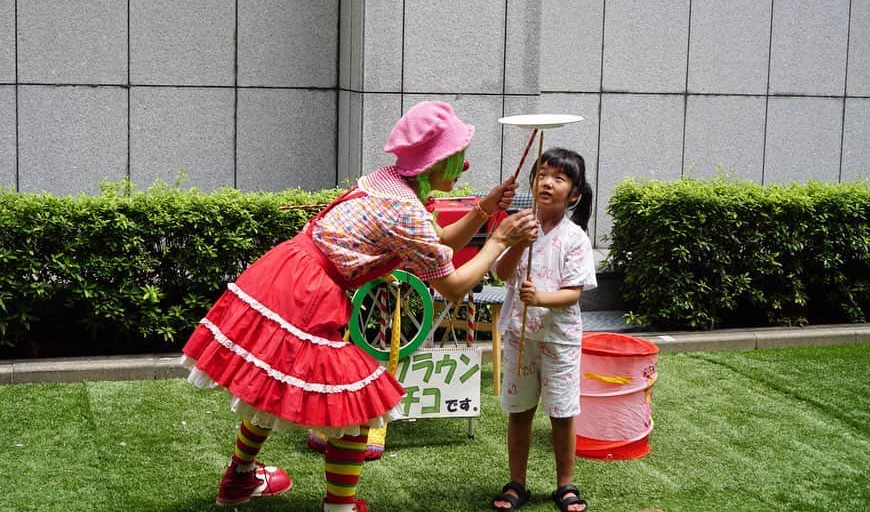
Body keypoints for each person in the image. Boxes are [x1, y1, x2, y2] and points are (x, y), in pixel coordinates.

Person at [180, 100, 538, 512]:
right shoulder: (405, 210)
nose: (466, 166)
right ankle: (340, 507)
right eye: (457, 158)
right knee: (357, 398)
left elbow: (439, 242)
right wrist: (499, 241)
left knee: (270, 385)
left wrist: (484, 209)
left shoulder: (388, 181)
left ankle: (239, 479)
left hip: (284, 272)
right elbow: (455, 285)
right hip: (308, 291)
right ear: (434, 164)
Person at [490, 147, 596, 512]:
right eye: (542, 174)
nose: (547, 182)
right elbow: (501, 274)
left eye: (559, 177)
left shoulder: (576, 238)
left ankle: (565, 485)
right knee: (519, 411)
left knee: (562, 413)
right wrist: (519, 242)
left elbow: (572, 293)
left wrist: (540, 297)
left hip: (559, 339)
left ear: (575, 194)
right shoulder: (520, 224)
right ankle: (516, 483)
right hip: (520, 335)